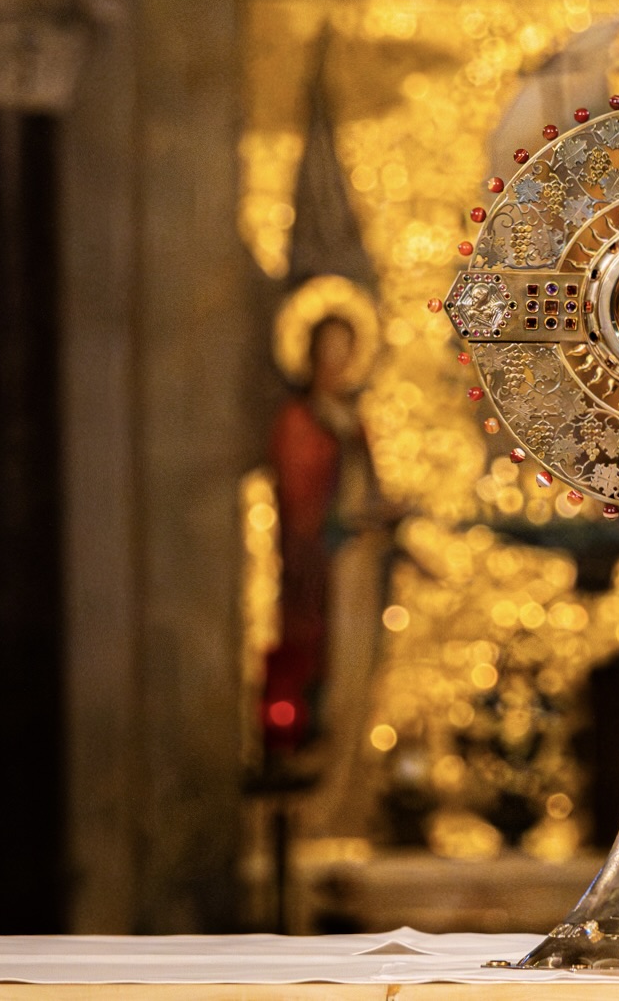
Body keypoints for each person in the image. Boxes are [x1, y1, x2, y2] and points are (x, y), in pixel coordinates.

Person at [263, 278, 399, 837]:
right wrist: (348, 521)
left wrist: (382, 515)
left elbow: (363, 487)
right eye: (330, 351)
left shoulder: (354, 421)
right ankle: (314, 812)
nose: (339, 362)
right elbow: (301, 506)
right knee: (331, 682)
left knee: (359, 681)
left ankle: (349, 806)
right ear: (312, 354)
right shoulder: (299, 422)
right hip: (326, 571)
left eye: (348, 351)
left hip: (362, 565)